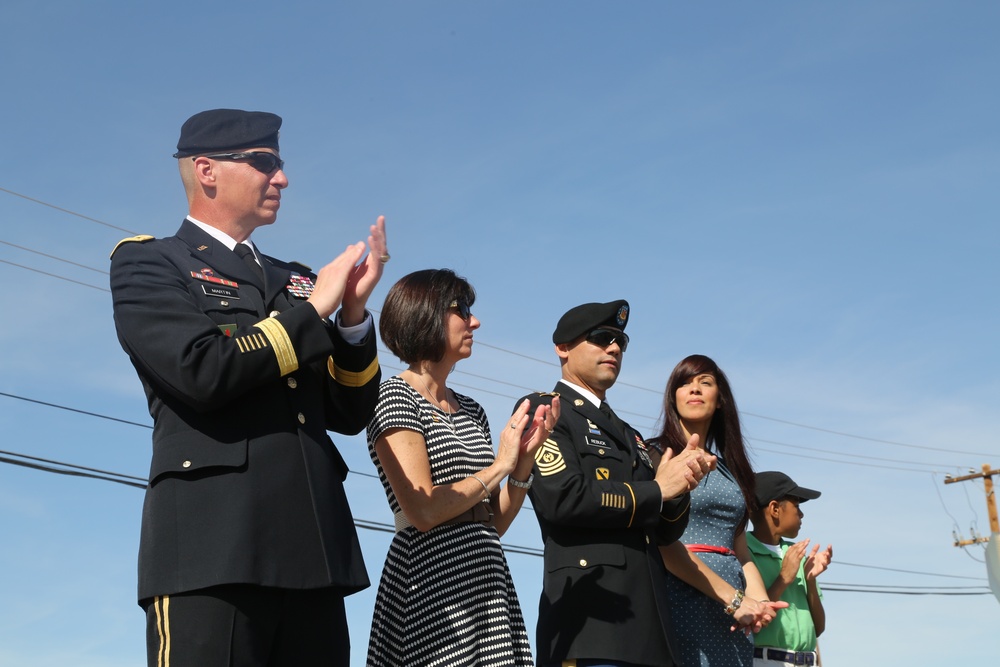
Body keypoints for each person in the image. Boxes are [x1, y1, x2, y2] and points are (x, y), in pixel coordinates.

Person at [109, 108, 388, 667]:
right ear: (207, 171)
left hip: (314, 552)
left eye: (279, 164)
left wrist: (353, 317)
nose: (280, 178)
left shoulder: (298, 279)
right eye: (264, 163)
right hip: (211, 550)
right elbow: (202, 371)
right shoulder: (149, 263)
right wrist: (316, 311)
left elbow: (349, 409)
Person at [365, 268, 559, 666]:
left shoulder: (472, 409)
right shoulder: (393, 396)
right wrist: (500, 465)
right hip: (430, 584)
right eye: (462, 309)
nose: (475, 321)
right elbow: (423, 511)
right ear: (425, 314)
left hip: (486, 582)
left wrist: (521, 465)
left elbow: (492, 523)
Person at [515, 300, 717, 667]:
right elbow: (563, 498)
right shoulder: (545, 410)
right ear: (562, 347)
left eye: (621, 342)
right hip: (591, 626)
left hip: (651, 631)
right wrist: (657, 489)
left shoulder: (630, 435)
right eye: (601, 337)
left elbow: (665, 533)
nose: (614, 349)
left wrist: (681, 485)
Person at [653, 354, 783, 667]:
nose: (694, 390)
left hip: (733, 616)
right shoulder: (657, 455)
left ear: (720, 399)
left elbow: (740, 550)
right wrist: (736, 600)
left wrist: (759, 601)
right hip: (680, 598)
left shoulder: (734, 470)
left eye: (704, 383)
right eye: (684, 384)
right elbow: (660, 544)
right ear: (674, 398)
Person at [747, 472, 832, 667]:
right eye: (797, 506)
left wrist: (810, 582)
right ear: (775, 509)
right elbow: (751, 620)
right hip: (763, 661)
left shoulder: (797, 554)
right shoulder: (743, 552)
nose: (801, 514)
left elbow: (818, 628)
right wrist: (783, 578)